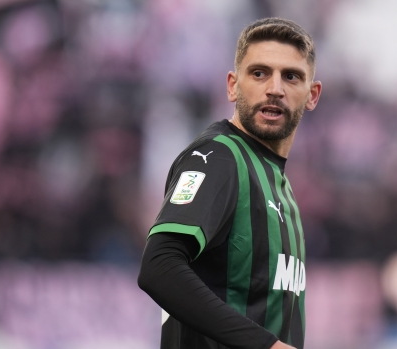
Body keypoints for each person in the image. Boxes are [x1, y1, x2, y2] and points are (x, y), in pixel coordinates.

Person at [138, 17, 322, 349]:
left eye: (291, 76)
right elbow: (159, 266)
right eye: (259, 73)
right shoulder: (219, 157)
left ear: (312, 95)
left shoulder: (278, 184)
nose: (275, 88)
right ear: (232, 85)